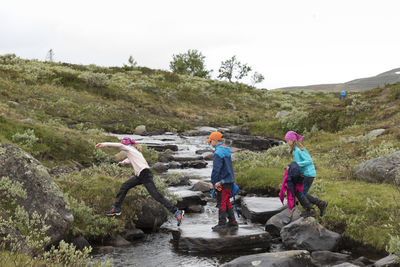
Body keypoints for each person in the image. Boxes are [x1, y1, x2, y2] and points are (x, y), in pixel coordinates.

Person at [95, 137, 184, 226]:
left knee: (157, 196)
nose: (123, 146)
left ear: (126, 144)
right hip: (140, 175)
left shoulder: (128, 148)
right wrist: (124, 162)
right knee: (124, 186)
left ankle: (177, 212)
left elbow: (119, 145)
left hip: (145, 175)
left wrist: (104, 144)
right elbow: (131, 159)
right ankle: (116, 208)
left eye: (123, 144)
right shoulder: (133, 151)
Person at [284, 131, 328, 217]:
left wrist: (295, 165)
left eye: (288, 140)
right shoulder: (297, 149)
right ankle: (321, 204)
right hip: (307, 174)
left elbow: (308, 161)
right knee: (302, 193)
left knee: (299, 193)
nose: (287, 142)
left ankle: (311, 211)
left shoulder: (298, 150)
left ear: (292, 140)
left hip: (307, 174)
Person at [206, 131, 238, 230]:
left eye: (211, 141)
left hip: (221, 183)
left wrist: (213, 183)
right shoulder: (226, 150)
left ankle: (222, 223)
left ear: (215, 141)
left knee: (221, 202)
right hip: (229, 181)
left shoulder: (218, 153)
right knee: (226, 201)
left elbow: (216, 170)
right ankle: (232, 222)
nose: (210, 143)